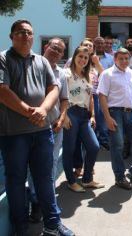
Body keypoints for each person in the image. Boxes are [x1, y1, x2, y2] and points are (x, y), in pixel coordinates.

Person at [0, 19, 74, 236]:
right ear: (11, 36)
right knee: (15, 181)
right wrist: (28, 111)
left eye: (29, 32)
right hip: (13, 134)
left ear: (34, 37)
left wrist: (42, 110)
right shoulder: (3, 59)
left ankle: (52, 223)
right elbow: (2, 90)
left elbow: (54, 89)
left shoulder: (41, 61)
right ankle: (20, 228)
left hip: (42, 132)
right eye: (20, 32)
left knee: (45, 178)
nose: (25, 35)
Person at [98, 48, 132, 190]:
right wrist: (107, 118)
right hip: (115, 113)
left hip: (131, 113)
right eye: (121, 58)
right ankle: (120, 177)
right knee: (118, 145)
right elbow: (102, 96)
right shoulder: (107, 74)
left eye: (126, 58)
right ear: (115, 59)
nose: (124, 61)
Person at [27, 37, 69, 222]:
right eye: (54, 47)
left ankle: (47, 202)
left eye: (60, 50)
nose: (56, 52)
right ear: (45, 47)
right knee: (32, 166)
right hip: (31, 125)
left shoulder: (61, 74)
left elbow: (65, 99)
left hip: (53, 126)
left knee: (50, 165)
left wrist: (61, 118)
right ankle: (36, 203)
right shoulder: (31, 66)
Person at [62, 46, 103, 193]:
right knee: (69, 148)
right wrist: (64, 115)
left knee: (94, 146)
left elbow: (90, 97)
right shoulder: (65, 74)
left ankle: (87, 180)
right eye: (80, 56)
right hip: (71, 112)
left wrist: (92, 115)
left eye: (86, 58)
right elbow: (60, 96)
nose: (83, 60)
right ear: (74, 57)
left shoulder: (88, 76)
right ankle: (71, 181)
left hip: (84, 115)